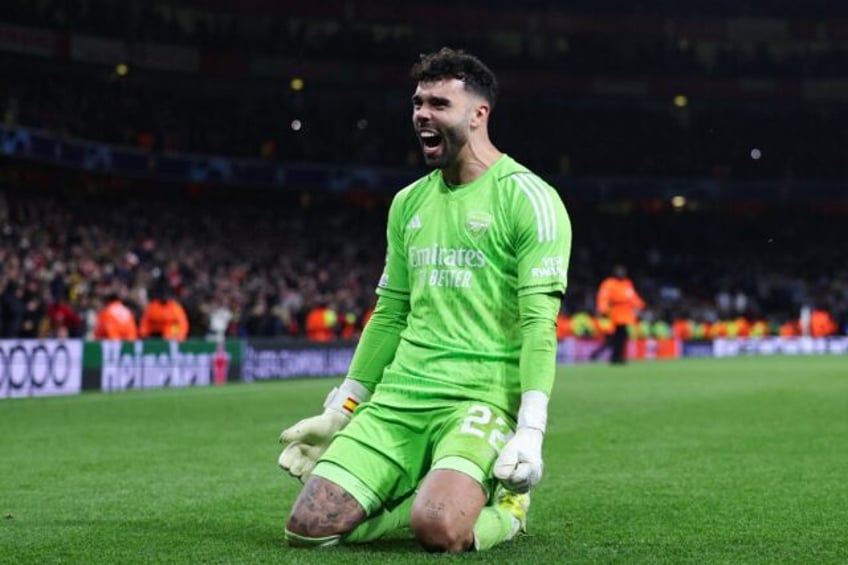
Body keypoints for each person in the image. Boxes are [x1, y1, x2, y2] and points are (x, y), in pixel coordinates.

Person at [278, 47, 572, 553]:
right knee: (307, 527)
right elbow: (390, 313)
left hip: (478, 399)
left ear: (479, 114)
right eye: (418, 103)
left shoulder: (529, 199)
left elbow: (538, 325)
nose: (422, 115)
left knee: (439, 529)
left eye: (438, 104)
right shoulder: (408, 202)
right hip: (400, 398)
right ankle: (420, 489)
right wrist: (343, 407)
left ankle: (507, 509)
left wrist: (531, 430)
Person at [593, 265, 644, 364]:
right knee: (613, 336)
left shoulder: (627, 283)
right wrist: (602, 309)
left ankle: (618, 356)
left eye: (623, 272)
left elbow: (633, 297)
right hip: (613, 312)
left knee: (622, 335)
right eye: (619, 272)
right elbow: (603, 297)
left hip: (625, 313)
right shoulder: (609, 283)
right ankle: (614, 356)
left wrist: (640, 305)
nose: (621, 274)